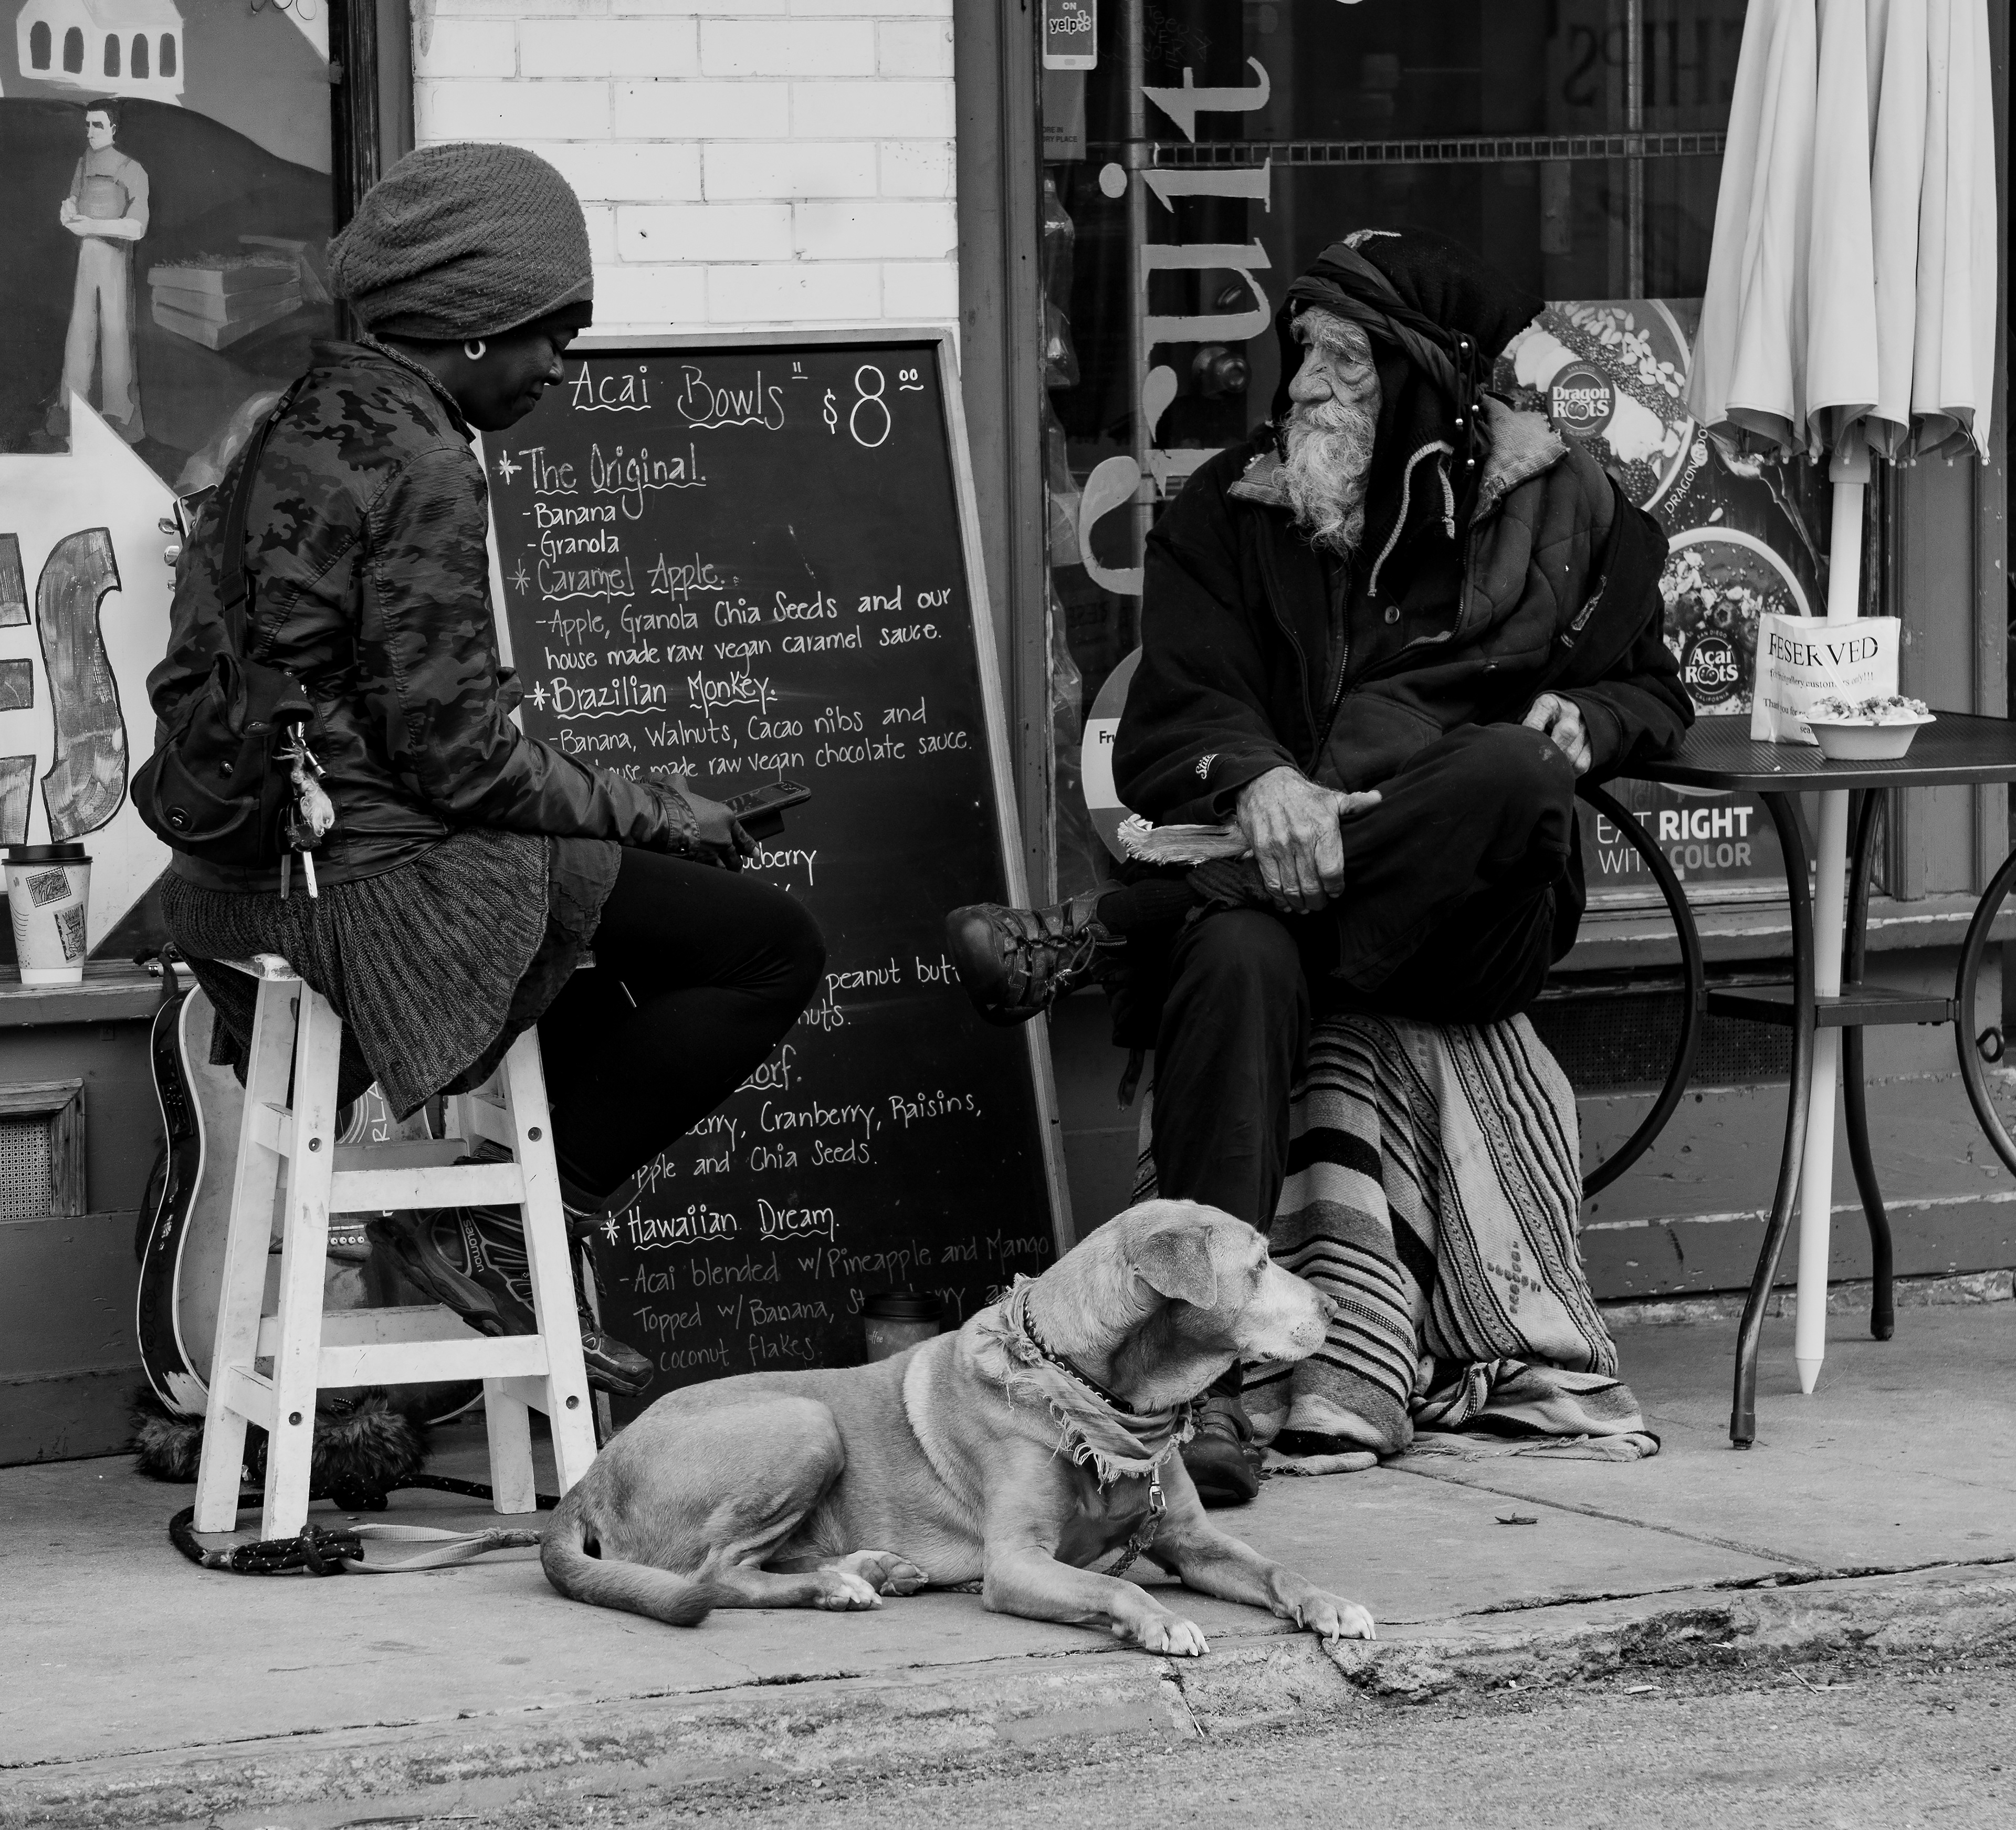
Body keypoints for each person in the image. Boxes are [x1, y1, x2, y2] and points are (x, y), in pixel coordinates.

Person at [947, 227, 1690, 1502]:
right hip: (1272, 890)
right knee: (1235, 950)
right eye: (1302, 355)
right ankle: (1198, 1387)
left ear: (1427, 383)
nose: (1305, 389)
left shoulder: (1573, 516)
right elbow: (1175, 720)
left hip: (1468, 911)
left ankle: (1118, 923)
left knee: (1511, 773)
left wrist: (1599, 719)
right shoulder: (1234, 512)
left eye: (1347, 363)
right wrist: (1260, 775)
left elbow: (1653, 692)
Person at [146, 142, 826, 1398]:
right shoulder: (422, 456)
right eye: (549, 334)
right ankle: (501, 1217)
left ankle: (490, 1215)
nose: (560, 367)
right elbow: (456, 759)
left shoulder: (283, 425)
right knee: (767, 947)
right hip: (368, 885)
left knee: (580, 941)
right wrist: (667, 813)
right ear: (466, 325)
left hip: (234, 878)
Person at [51, 98, 148, 444]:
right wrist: (68, 211)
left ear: (114, 129)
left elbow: (136, 228)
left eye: (98, 126)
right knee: (79, 336)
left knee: (116, 336)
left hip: (115, 266)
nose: (90, 132)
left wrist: (92, 224)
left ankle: (118, 421)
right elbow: (74, 200)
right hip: (85, 263)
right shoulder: (83, 163)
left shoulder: (131, 170)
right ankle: (71, 416)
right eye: (87, 125)